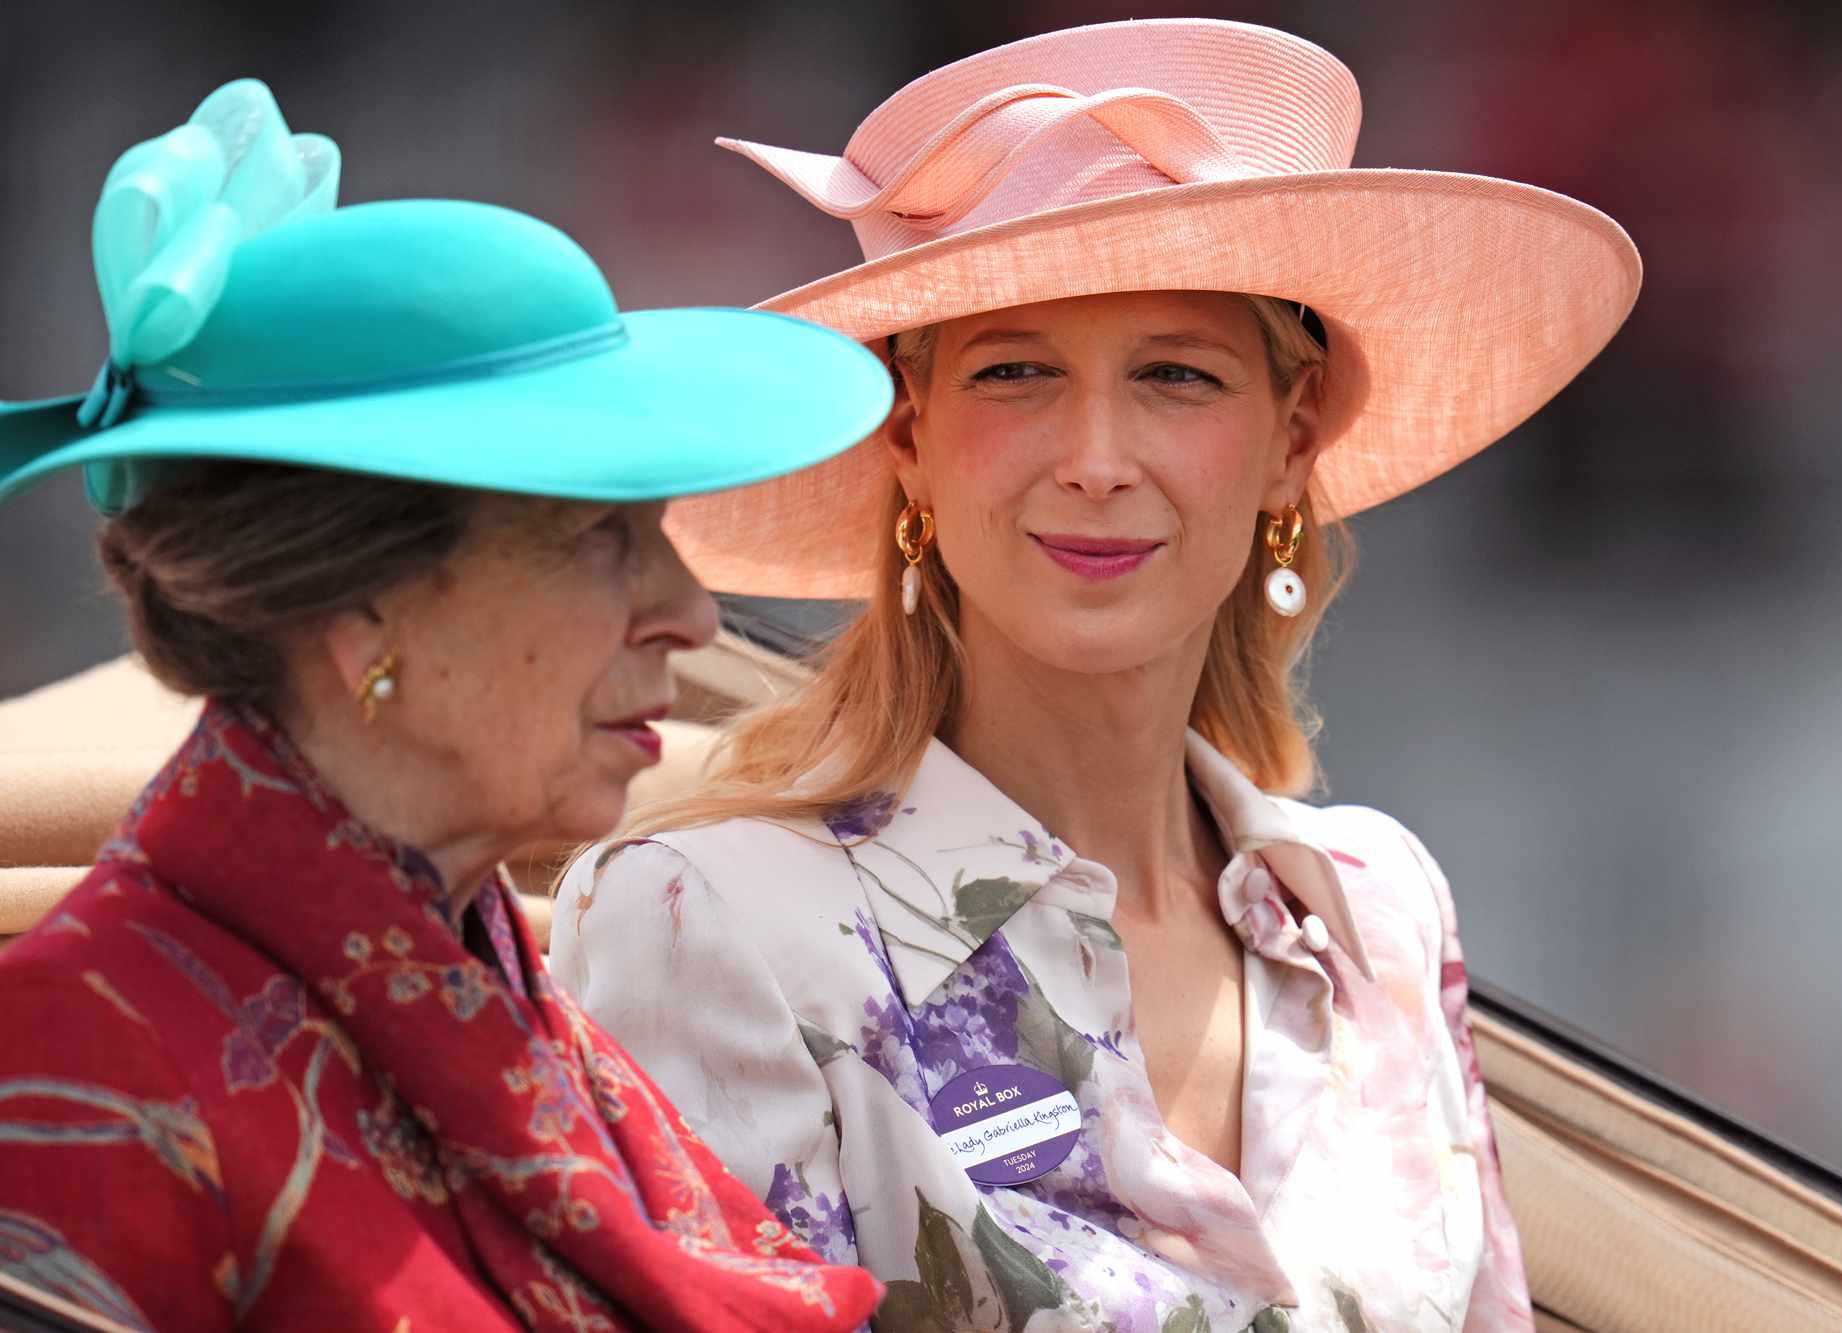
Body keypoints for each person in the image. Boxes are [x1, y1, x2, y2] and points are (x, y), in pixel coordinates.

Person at [553, 19, 1640, 1333]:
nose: (1097, 457)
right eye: (1017, 372)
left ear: (1292, 440)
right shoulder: (709, 923)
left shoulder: (1382, 914)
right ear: (913, 434)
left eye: (1176, 375)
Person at [0, 80, 891, 1330]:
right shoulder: (69, 1056)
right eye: (597, 537)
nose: (689, 614)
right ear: (361, 607)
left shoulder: (515, 1014)